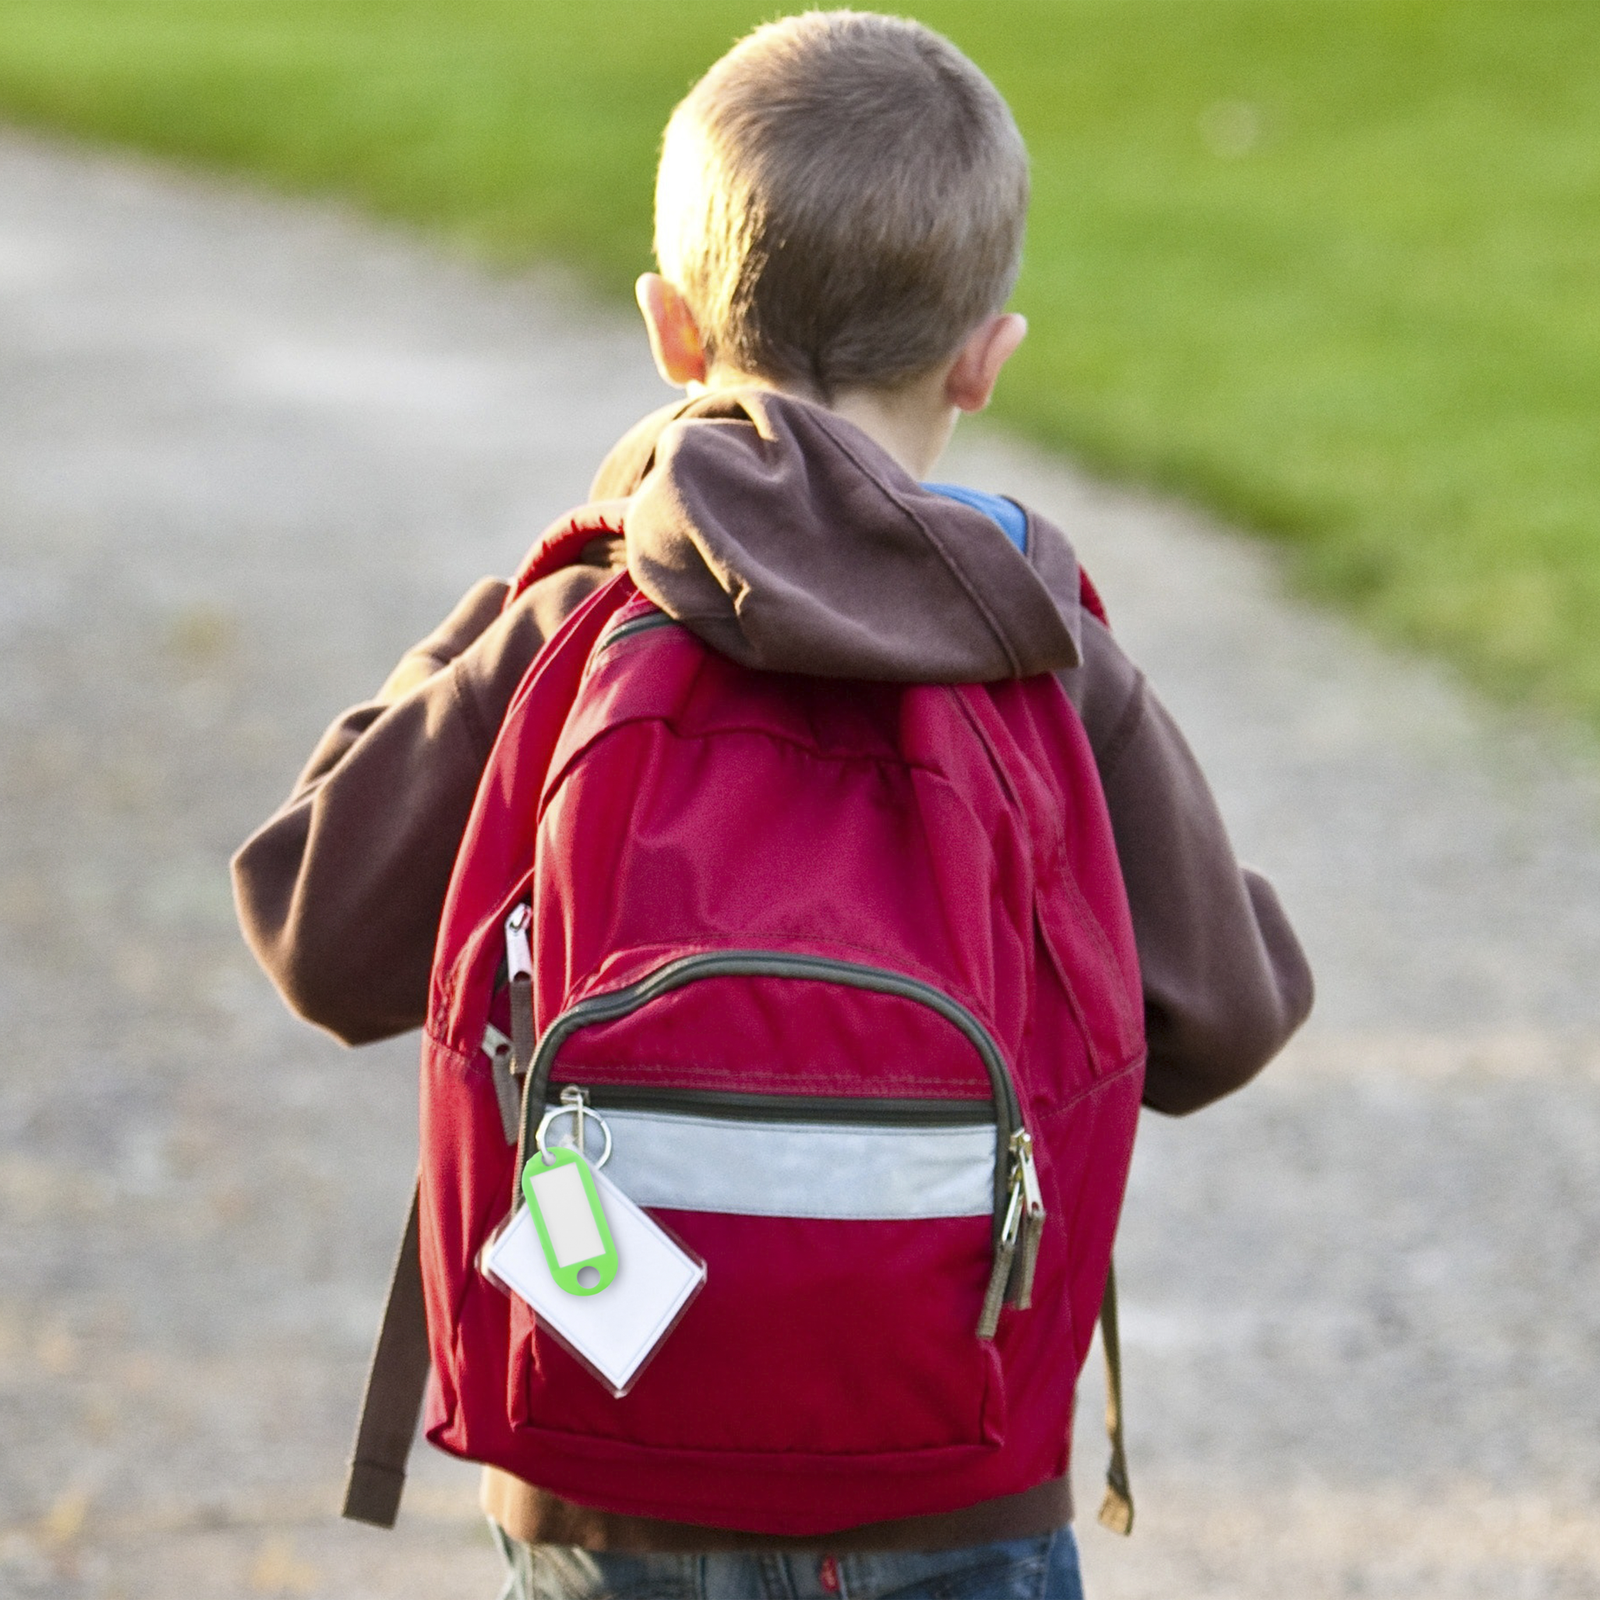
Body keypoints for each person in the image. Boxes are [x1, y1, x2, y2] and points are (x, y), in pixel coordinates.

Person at [232, 12, 1313, 1598]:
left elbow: (320, 933)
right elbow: (1226, 1019)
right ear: (985, 358)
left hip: (607, 1483)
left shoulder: (581, 619)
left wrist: (536, 586)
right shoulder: (1039, 639)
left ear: (671, 331)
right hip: (958, 1488)